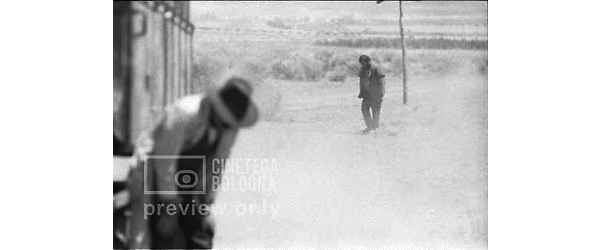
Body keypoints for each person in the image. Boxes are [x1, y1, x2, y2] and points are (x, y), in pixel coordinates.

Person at [127, 76, 259, 249]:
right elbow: (164, 160)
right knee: (143, 234)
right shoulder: (185, 113)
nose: (227, 125)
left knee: (200, 232)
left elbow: (217, 165)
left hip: (185, 176)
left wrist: (205, 204)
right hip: (150, 168)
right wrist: (169, 208)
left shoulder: (230, 126)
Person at [357, 54, 385, 134]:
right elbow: (361, 81)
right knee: (364, 109)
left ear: (367, 61)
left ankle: (375, 128)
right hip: (366, 94)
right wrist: (361, 92)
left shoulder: (376, 68)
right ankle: (369, 126)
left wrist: (381, 92)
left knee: (375, 111)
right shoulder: (362, 70)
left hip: (376, 94)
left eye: (363, 63)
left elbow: (382, 81)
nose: (362, 65)